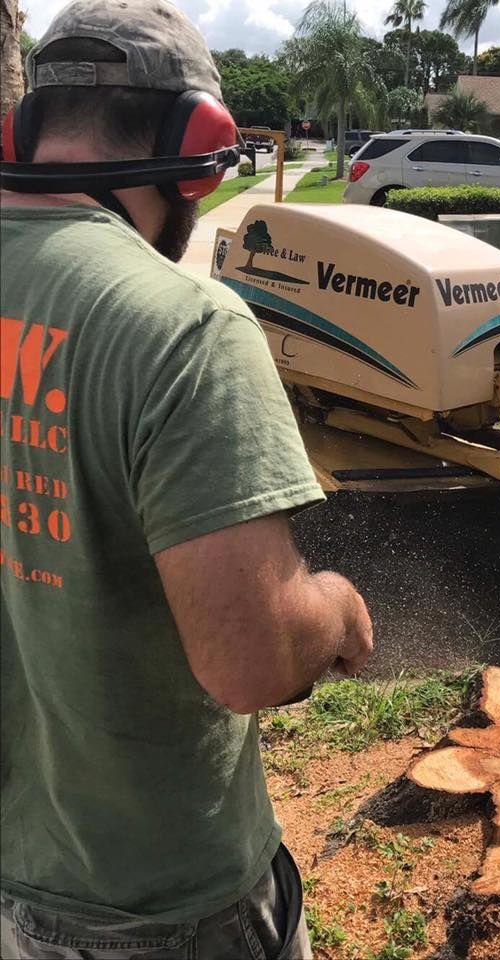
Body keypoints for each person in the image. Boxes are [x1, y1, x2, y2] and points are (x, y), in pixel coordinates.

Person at [0, 1, 373, 957]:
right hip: (155, 904)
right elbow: (250, 661)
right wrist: (330, 607)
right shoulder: (180, 327)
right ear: (199, 148)